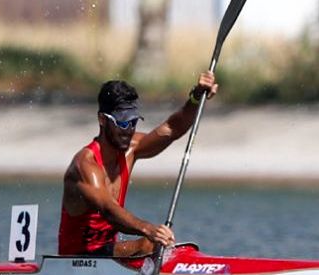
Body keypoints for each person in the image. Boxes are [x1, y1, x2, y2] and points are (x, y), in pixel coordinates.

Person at [58, 72, 217, 257]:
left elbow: (172, 129)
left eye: (133, 121)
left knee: (154, 245)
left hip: (108, 254)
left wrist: (196, 97)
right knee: (149, 242)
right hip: (76, 259)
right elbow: (109, 211)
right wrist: (148, 229)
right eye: (122, 123)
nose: (129, 130)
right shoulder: (85, 165)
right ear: (102, 119)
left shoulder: (131, 150)